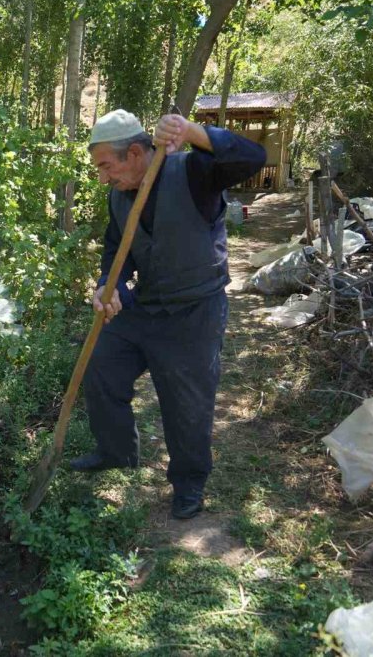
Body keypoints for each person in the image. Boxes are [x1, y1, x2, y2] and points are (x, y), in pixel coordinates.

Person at [70, 109, 265, 519]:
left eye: (107, 166)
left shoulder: (193, 172)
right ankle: (117, 452)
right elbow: (116, 248)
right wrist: (112, 284)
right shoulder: (119, 194)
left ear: (136, 154)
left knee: (187, 402)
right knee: (101, 363)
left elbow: (253, 158)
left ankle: (189, 483)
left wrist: (192, 131)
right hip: (148, 305)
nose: (103, 177)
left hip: (195, 311)